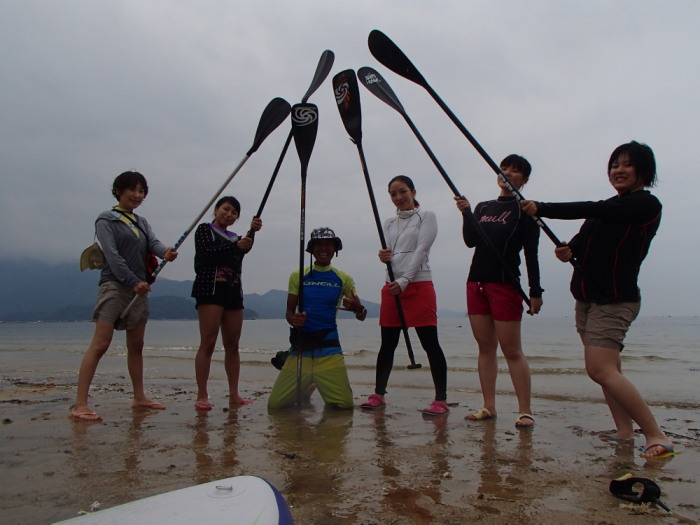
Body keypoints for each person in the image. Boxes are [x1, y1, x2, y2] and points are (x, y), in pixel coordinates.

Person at [521, 140, 674, 458]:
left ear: (643, 170)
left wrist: (543, 207)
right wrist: (568, 251)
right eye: (615, 165)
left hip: (615, 300)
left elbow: (595, 208)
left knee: (600, 370)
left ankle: (656, 434)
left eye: (627, 164)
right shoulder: (604, 211)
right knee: (609, 370)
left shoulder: (645, 205)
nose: (619, 170)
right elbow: (579, 242)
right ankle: (624, 431)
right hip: (587, 298)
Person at [71, 171, 178, 421]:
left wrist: (166, 252)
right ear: (119, 191)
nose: (137, 195)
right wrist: (133, 281)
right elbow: (112, 256)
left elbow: (153, 244)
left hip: (139, 288)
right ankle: (80, 404)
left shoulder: (142, 221)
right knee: (100, 344)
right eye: (133, 190)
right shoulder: (106, 219)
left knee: (136, 346)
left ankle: (139, 397)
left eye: (142, 191)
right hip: (114, 286)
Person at [454, 154, 543, 428]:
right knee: (485, 347)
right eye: (503, 168)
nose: (507, 173)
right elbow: (471, 241)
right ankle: (488, 406)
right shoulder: (484, 207)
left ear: (524, 179)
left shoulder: (526, 210)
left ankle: (525, 410)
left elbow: (531, 254)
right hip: (476, 282)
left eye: (514, 171)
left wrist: (535, 291)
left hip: (505, 284)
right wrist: (467, 214)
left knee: (512, 350)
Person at [361, 175, 449, 415]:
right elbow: (391, 253)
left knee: (430, 343)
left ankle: (441, 400)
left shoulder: (426, 216)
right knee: (387, 344)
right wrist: (384, 257)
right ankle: (379, 394)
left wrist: (405, 280)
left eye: (403, 191)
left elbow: (421, 249)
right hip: (392, 286)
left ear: (413, 191)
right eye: (393, 194)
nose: (399, 197)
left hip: (418, 285)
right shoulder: (389, 223)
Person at [267, 227, 367, 410]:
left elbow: (361, 316)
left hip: (329, 347)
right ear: (311, 249)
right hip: (301, 347)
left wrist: (358, 309)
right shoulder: (298, 275)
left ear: (335, 249)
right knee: (275, 406)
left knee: (344, 406)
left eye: (328, 244)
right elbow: (289, 312)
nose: (323, 248)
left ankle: (312, 382)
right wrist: (294, 320)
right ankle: (309, 382)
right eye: (319, 244)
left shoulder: (343, 278)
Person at [191, 196, 262, 411]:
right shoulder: (205, 230)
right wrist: (236, 245)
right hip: (210, 290)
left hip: (233, 292)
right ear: (216, 210)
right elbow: (207, 255)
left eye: (234, 212)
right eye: (226, 209)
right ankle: (202, 394)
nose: (229, 214)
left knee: (233, 345)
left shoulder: (236, 238)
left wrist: (252, 231)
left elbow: (242, 250)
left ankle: (234, 394)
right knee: (208, 342)